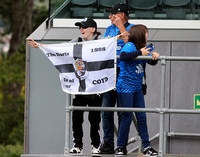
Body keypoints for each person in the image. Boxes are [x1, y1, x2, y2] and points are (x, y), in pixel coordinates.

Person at [27, 18, 103, 156]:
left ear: (93, 29)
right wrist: (41, 46)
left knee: (94, 118)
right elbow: (61, 49)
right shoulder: (77, 40)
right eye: (80, 27)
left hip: (96, 87)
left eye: (84, 27)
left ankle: (96, 145)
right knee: (77, 117)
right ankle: (77, 145)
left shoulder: (103, 41)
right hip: (79, 86)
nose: (81, 30)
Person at [99, 2, 150, 154]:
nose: (109, 17)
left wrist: (122, 29)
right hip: (109, 72)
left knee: (124, 112)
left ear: (121, 15)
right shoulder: (109, 29)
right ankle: (108, 142)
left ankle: (122, 145)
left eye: (112, 14)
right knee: (106, 110)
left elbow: (131, 49)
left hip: (125, 74)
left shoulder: (134, 29)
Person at [115, 24, 159, 156]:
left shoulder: (143, 47)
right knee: (127, 117)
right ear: (140, 34)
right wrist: (140, 53)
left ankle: (147, 147)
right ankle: (120, 147)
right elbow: (123, 56)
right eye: (146, 33)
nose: (147, 35)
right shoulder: (130, 46)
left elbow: (151, 62)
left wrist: (154, 55)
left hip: (137, 88)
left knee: (142, 116)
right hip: (125, 88)